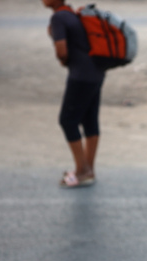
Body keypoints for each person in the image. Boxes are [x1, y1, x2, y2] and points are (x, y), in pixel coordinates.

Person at [43, 0, 106, 188]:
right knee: (89, 120)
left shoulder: (58, 17)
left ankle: (81, 170)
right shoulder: (71, 13)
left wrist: (63, 59)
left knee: (67, 120)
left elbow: (62, 51)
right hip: (96, 72)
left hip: (80, 76)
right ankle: (89, 170)